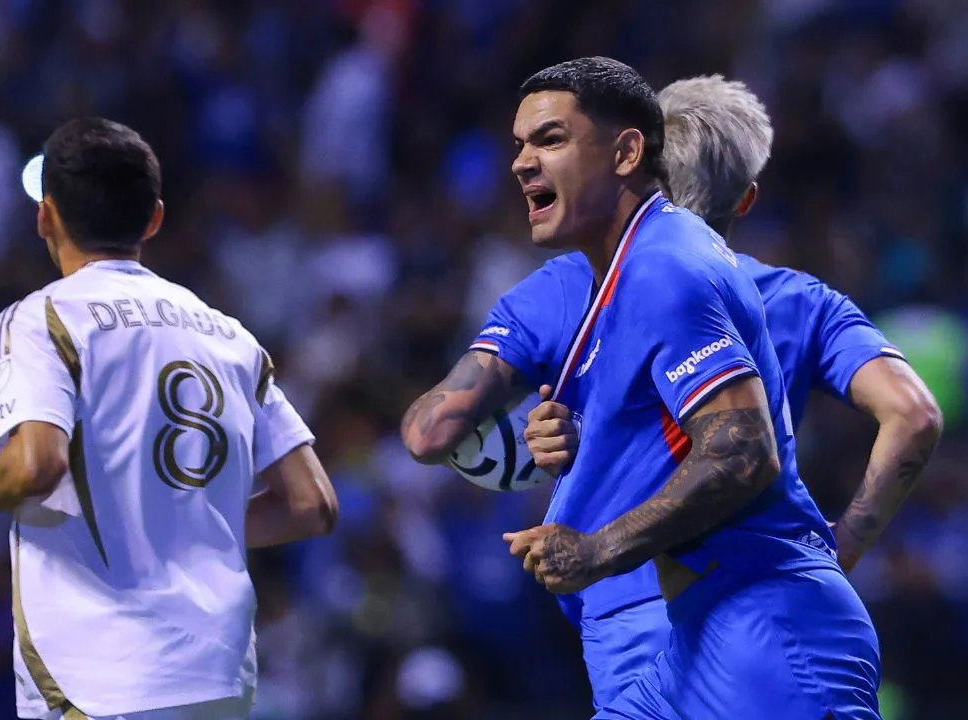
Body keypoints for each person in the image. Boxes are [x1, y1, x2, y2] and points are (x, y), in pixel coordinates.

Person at [400, 68, 937, 717]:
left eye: (549, 140)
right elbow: (912, 413)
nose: (522, 164)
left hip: (714, 607)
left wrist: (551, 482)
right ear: (745, 199)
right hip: (704, 618)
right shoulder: (792, 297)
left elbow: (435, 429)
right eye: (520, 144)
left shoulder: (624, 276)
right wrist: (843, 543)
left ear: (639, 156)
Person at [0, 118, 338, 720]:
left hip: (103, 676)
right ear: (154, 218)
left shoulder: (42, 318)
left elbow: (34, 466)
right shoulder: (230, 335)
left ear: (45, 218)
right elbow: (312, 502)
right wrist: (178, 523)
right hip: (219, 674)